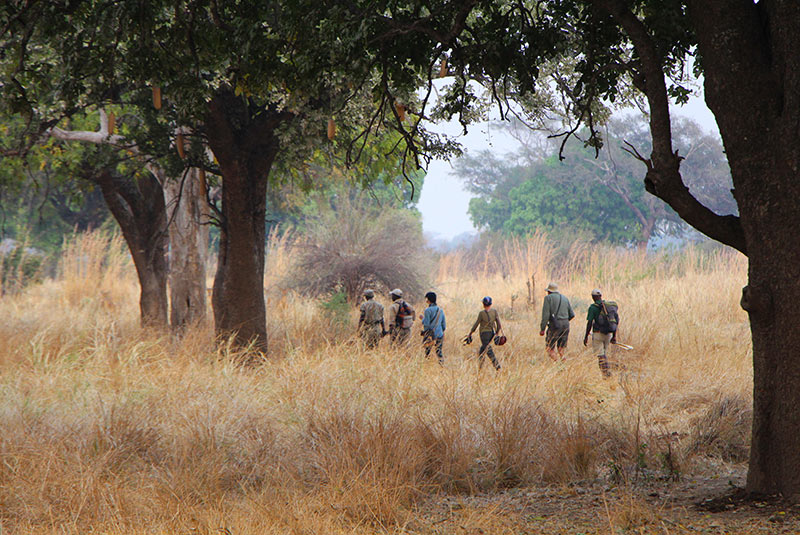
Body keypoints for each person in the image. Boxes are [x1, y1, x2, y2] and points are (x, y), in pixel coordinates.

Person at [583, 289, 619, 377]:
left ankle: (606, 373)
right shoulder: (608, 307)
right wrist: (614, 336)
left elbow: (590, 322)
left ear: (592, 297)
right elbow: (615, 321)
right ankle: (605, 373)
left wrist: (586, 336)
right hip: (608, 334)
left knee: (600, 355)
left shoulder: (593, 307)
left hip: (598, 333)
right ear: (601, 296)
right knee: (604, 354)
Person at [539, 282, 575, 361]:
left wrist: (542, 329)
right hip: (566, 324)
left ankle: (557, 363)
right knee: (561, 348)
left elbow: (545, 316)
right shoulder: (565, 298)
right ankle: (563, 362)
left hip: (555, 325)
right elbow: (572, 314)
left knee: (549, 348)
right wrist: (564, 321)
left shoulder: (548, 298)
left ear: (549, 291)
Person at [466, 296, 502, 371]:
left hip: (484, 334)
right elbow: (499, 324)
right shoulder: (494, 312)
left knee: (488, 350)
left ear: (483, 304)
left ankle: (497, 366)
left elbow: (476, 324)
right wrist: (497, 333)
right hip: (491, 333)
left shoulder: (481, 313)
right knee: (482, 350)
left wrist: (470, 333)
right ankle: (480, 367)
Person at [420, 291, 446, 363]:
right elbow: (444, 325)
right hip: (440, 334)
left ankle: (427, 363)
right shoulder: (441, 310)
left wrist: (422, 319)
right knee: (439, 351)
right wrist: (441, 331)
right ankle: (441, 365)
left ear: (428, 300)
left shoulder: (427, 310)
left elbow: (426, 324)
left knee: (427, 351)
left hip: (431, 334)